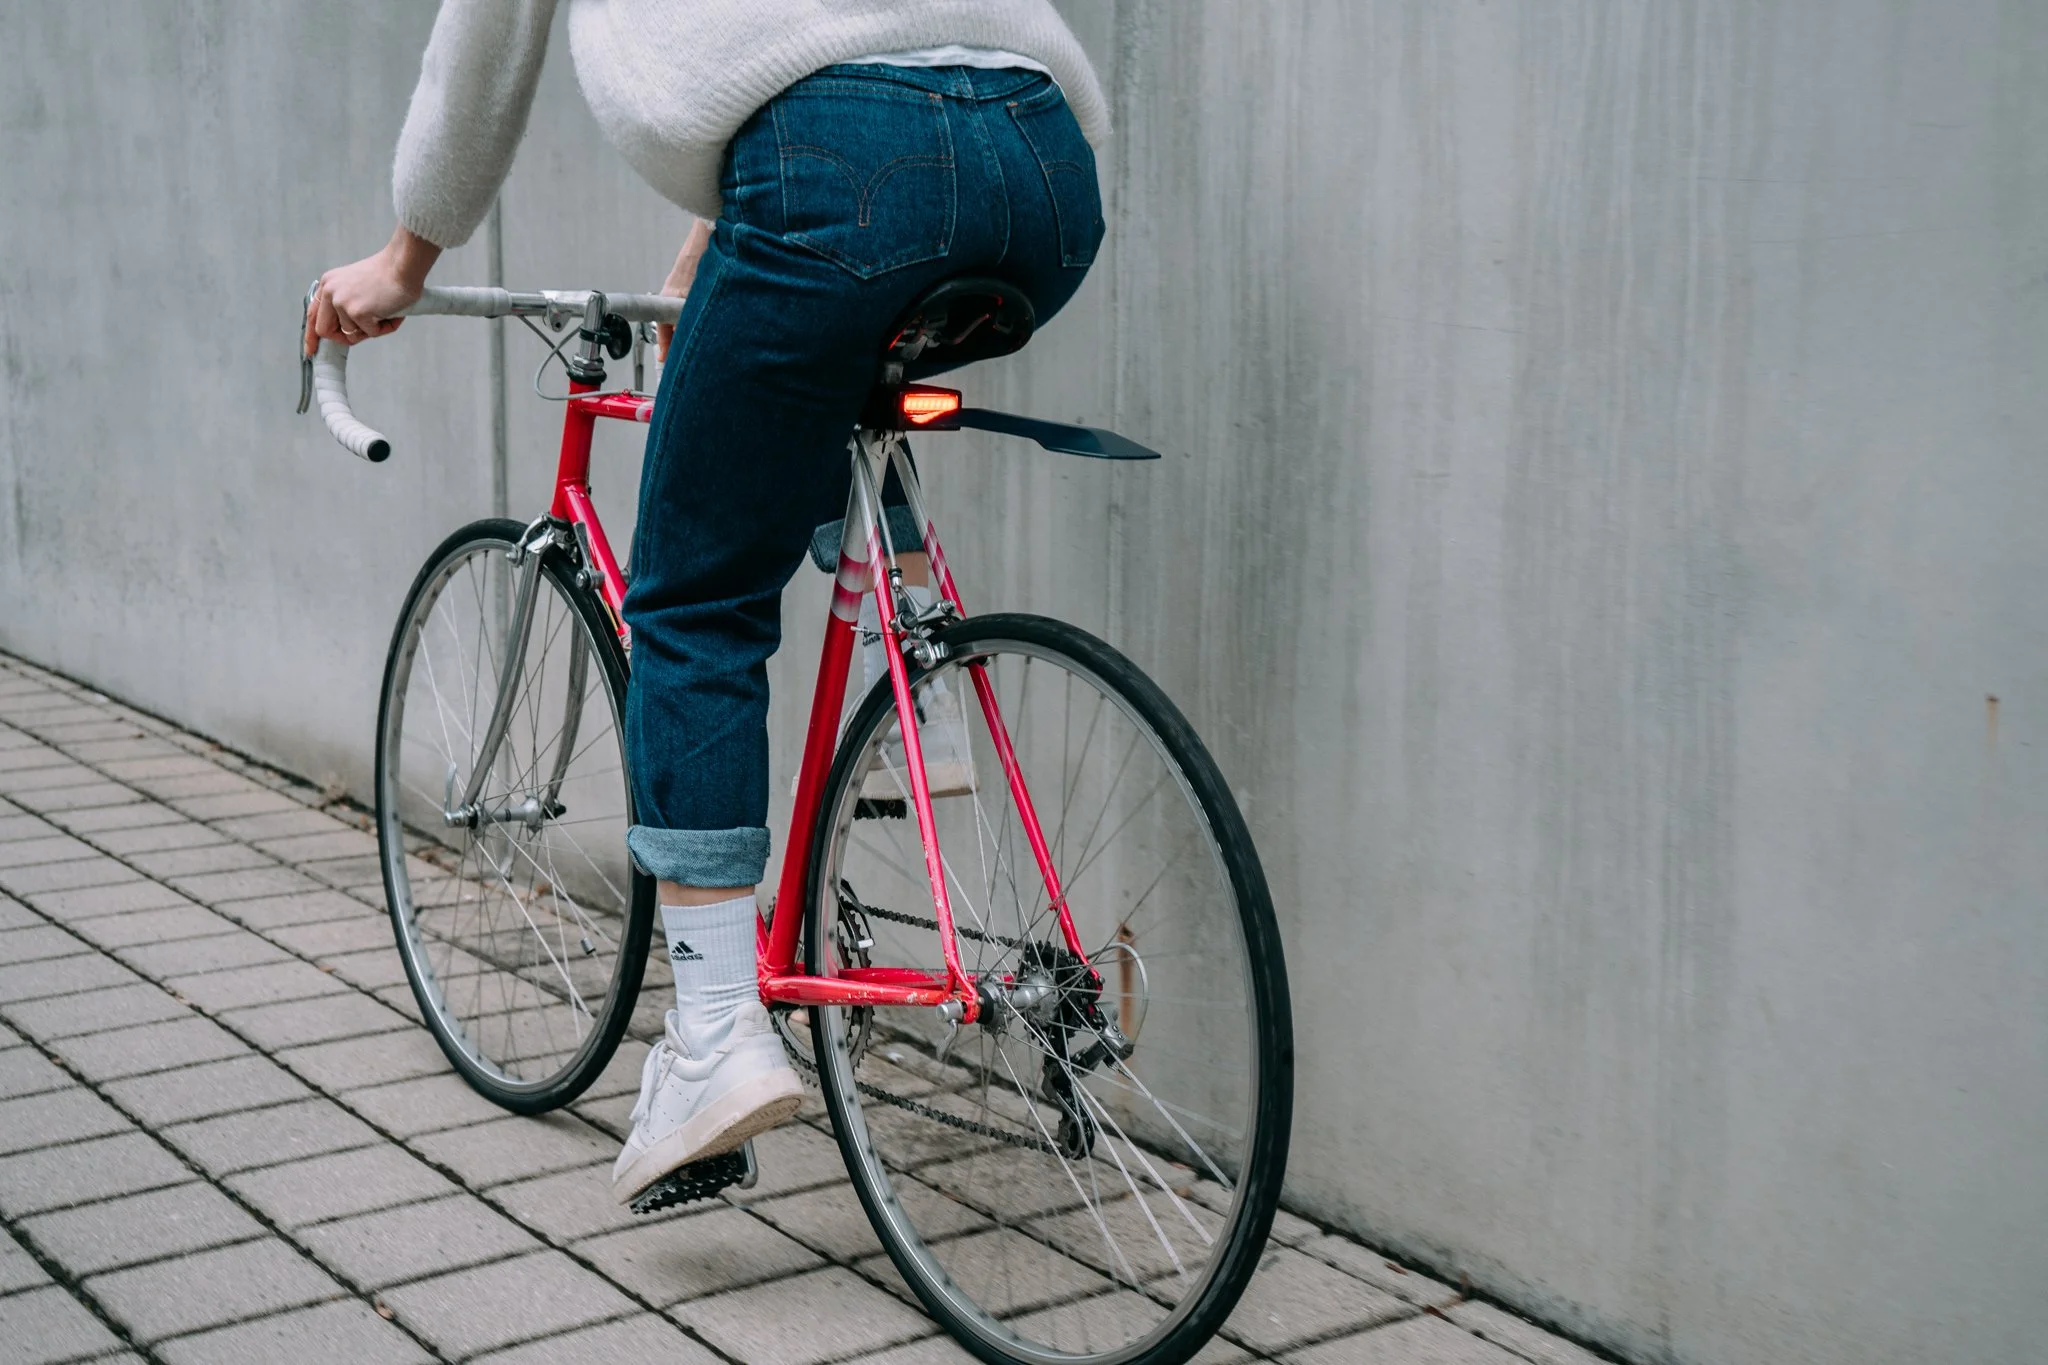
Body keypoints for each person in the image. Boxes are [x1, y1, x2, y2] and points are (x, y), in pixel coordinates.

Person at [303, 0, 1107, 1205]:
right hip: (1043, 166)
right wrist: (718, 244)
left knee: (691, 603)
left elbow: (484, 47)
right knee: (828, 386)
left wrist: (403, 258)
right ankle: (909, 693)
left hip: (836, 163)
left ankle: (716, 1039)